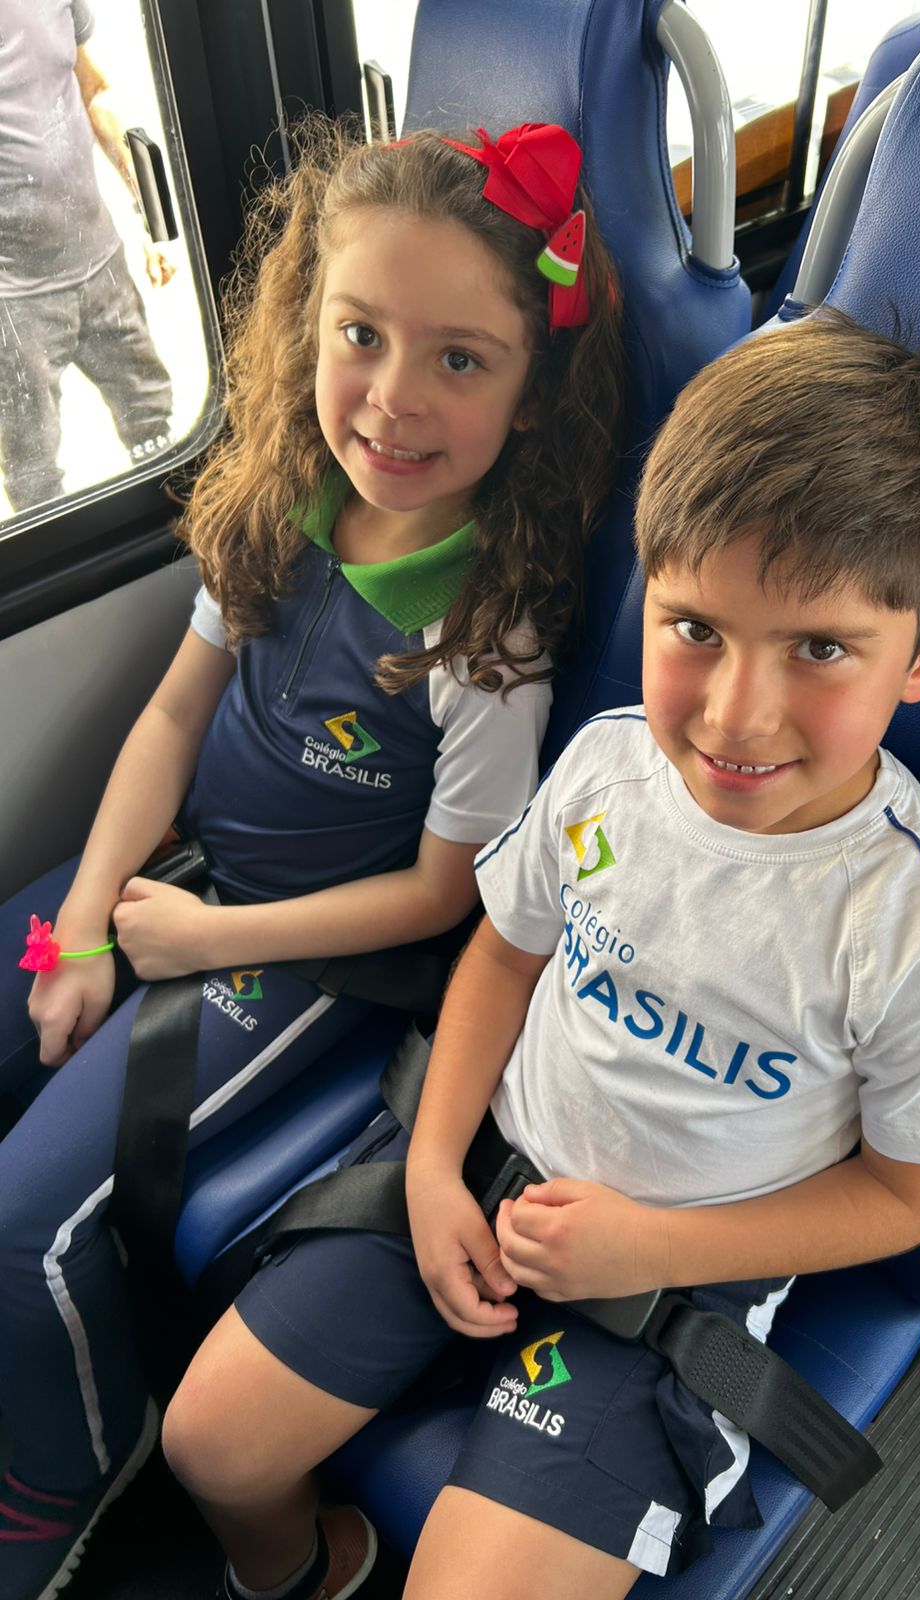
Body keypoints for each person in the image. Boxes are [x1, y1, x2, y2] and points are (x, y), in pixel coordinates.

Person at [161, 310, 920, 1600]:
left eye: (821, 648)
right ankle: (311, 1567)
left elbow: (908, 1198)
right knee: (211, 1445)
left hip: (674, 1281)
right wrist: (435, 1168)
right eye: (695, 628)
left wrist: (649, 1248)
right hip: (480, 1171)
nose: (736, 714)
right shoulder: (609, 768)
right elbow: (504, 958)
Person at [0, 117, 624, 1600]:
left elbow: (442, 895)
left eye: (460, 360)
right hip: (186, 882)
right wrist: (83, 923)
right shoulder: (286, 499)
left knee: (28, 1231)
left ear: (532, 394)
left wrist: (199, 942)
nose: (394, 399)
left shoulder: (485, 635)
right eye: (362, 336)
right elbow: (172, 715)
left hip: (321, 961)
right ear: (310, 326)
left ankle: (58, 1481)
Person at [0, 0, 176, 515]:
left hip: (101, 263)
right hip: (14, 300)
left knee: (155, 426)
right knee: (34, 475)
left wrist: (149, 216)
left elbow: (93, 91)